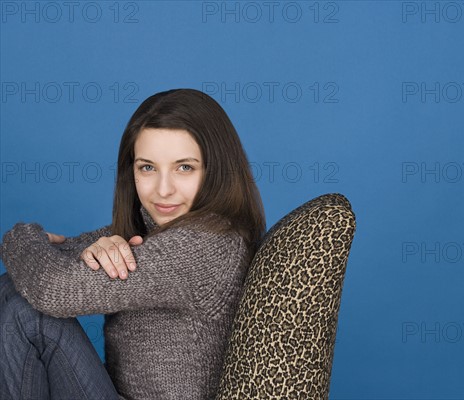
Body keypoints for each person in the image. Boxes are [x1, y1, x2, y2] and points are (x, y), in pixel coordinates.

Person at [0, 88, 266, 399]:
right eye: (148, 167)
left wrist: (17, 237)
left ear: (216, 170)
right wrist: (93, 249)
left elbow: (51, 288)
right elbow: (44, 265)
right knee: (15, 287)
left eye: (185, 167)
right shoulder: (151, 229)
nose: (163, 190)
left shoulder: (207, 245)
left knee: (28, 312)